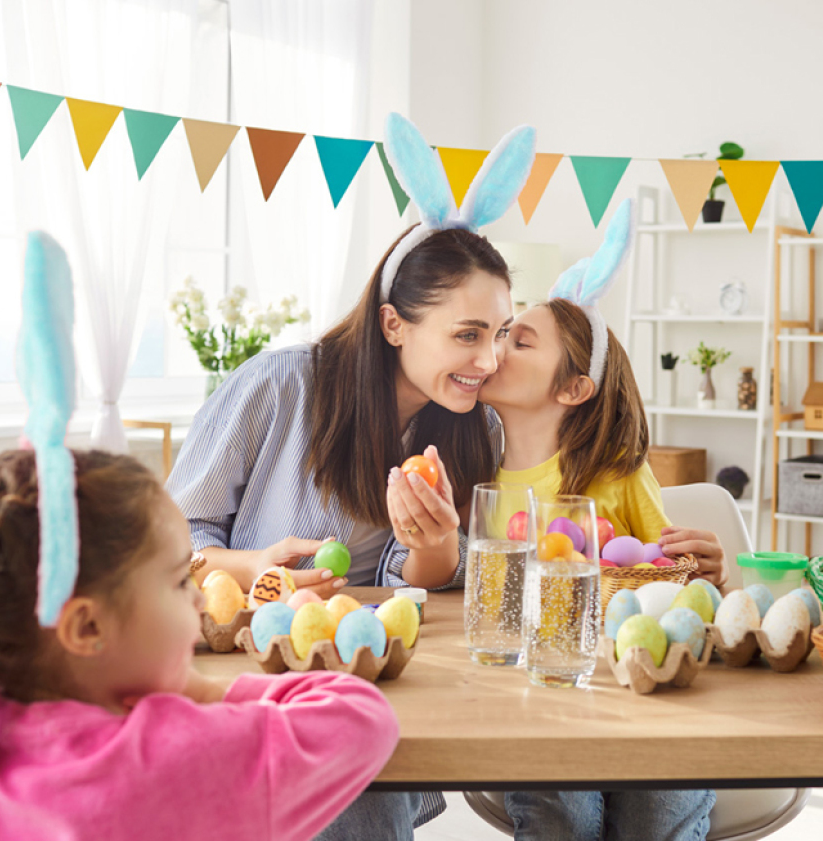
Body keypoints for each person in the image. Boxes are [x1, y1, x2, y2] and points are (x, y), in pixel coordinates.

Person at [167, 113, 537, 837]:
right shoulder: (280, 386)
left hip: (366, 678)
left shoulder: (476, 426)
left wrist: (433, 550)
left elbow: (425, 586)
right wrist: (253, 567)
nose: (489, 361)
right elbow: (170, 538)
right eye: (466, 334)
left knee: (357, 792)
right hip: (250, 667)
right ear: (394, 323)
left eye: (497, 333)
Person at [0, 448, 399, 840]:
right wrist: (203, 691)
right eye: (177, 581)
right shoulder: (171, 757)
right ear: (87, 628)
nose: (200, 601)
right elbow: (361, 718)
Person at [475, 200, 718, 840]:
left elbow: (672, 578)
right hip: (540, 698)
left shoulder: (616, 473)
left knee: (659, 811)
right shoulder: (477, 477)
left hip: (635, 694)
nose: (496, 348)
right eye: (500, 333)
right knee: (562, 813)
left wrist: (708, 573)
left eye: (518, 339)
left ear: (574, 388)